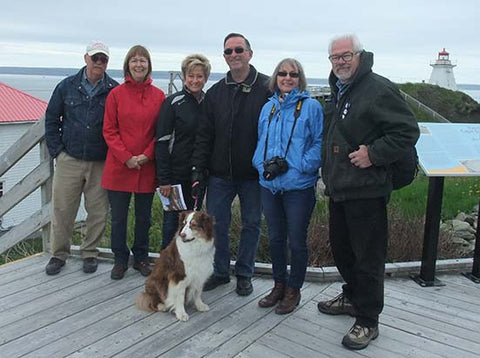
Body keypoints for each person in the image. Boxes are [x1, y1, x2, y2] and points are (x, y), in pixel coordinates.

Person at [317, 34, 420, 350]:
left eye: (346, 55)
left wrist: (373, 154)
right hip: (341, 189)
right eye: (335, 58)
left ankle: (368, 320)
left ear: (359, 55)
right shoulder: (341, 90)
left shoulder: (378, 89)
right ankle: (353, 297)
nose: (341, 62)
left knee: (368, 258)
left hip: (367, 191)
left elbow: (407, 131)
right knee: (344, 251)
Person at [191, 33, 270, 296]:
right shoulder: (215, 93)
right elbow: (204, 135)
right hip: (220, 175)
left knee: (251, 224)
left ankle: (245, 273)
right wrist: (199, 170)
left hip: (253, 175)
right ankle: (221, 272)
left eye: (239, 49)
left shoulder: (268, 88)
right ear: (224, 57)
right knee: (216, 225)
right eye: (228, 51)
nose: (234, 55)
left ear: (250, 53)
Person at [253, 59, 323, 314]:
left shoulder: (312, 107)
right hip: (269, 185)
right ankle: (279, 285)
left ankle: (294, 289)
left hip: (299, 186)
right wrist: (259, 164)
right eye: (282, 74)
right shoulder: (268, 108)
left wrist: (304, 165)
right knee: (275, 239)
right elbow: (262, 140)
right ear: (276, 78)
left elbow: (319, 141)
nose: (287, 78)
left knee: (297, 242)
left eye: (293, 74)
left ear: (300, 78)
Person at [44, 41, 118, 275]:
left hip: (101, 161)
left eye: (103, 59)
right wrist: (58, 152)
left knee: (97, 212)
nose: (98, 63)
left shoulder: (114, 90)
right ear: (86, 58)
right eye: (95, 58)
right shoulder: (66, 87)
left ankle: (90, 253)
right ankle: (59, 254)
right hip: (70, 159)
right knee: (63, 209)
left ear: (107, 62)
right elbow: (52, 119)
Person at [102, 45, 165, 280]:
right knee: (118, 218)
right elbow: (109, 130)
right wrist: (126, 157)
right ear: (127, 64)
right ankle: (120, 259)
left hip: (146, 166)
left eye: (143, 61)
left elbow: (160, 131)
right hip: (120, 166)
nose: (139, 64)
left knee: (144, 217)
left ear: (149, 65)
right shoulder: (116, 94)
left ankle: (140, 257)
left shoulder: (158, 96)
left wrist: (147, 155)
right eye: (134, 60)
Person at [155, 54, 211, 249]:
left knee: (193, 226)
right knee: (172, 225)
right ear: (184, 77)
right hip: (174, 177)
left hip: (197, 176)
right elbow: (161, 142)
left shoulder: (208, 103)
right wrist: (164, 179)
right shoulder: (173, 103)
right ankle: (166, 269)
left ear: (206, 78)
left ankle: (186, 269)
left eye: (200, 76)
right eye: (191, 76)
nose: (195, 80)